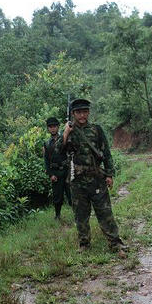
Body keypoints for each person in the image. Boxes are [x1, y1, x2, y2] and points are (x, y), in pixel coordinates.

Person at [57, 98, 125, 252]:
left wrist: (109, 174)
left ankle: (115, 242)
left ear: (88, 112)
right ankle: (84, 244)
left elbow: (106, 153)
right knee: (81, 214)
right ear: (73, 114)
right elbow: (57, 151)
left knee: (105, 212)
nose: (82, 115)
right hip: (77, 180)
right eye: (79, 112)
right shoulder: (68, 130)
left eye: (85, 111)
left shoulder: (96, 129)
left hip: (96, 178)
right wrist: (66, 133)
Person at [43, 117, 71, 220]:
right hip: (55, 172)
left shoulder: (64, 138)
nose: (53, 128)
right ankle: (57, 215)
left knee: (71, 194)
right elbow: (46, 161)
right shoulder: (46, 144)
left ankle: (77, 214)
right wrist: (51, 174)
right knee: (57, 196)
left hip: (66, 170)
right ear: (48, 129)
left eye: (54, 126)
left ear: (58, 127)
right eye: (50, 127)